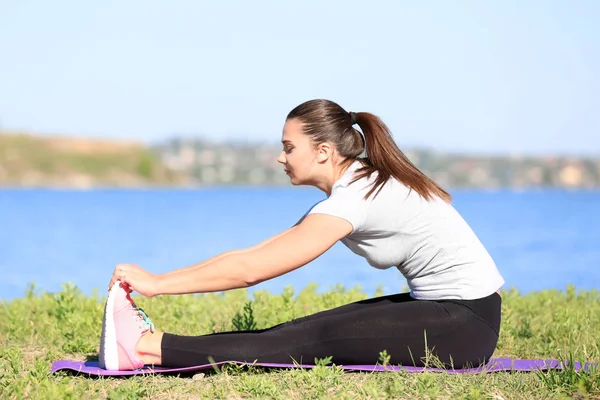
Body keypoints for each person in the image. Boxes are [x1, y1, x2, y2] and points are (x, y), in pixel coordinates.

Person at [99, 99, 504, 372]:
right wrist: (157, 280)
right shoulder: (355, 187)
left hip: (463, 326)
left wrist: (157, 285)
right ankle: (151, 344)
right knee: (295, 332)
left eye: (289, 147)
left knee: (304, 341)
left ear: (324, 152)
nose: (281, 157)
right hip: (453, 313)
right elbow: (256, 253)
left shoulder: (354, 198)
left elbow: (249, 271)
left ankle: (144, 347)